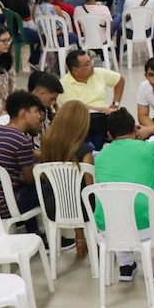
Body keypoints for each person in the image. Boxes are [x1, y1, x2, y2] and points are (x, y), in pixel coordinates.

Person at [94, 108, 154, 283]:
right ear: (135, 127)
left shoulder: (100, 157)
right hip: (144, 226)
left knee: (116, 208)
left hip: (107, 229)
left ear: (109, 134)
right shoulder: (149, 148)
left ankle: (126, 266)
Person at [0, 91, 46, 232]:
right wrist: (47, 174)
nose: (40, 116)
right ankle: (47, 236)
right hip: (5, 206)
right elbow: (30, 179)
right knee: (49, 188)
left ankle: (34, 233)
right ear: (23, 114)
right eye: (36, 112)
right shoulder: (22, 141)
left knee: (25, 190)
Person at [37, 100, 94, 249]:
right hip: (82, 209)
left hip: (53, 206)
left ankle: (79, 239)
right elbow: (90, 187)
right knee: (86, 194)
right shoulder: (83, 149)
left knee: (71, 191)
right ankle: (96, 244)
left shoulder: (47, 143)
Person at [59, 49, 126, 150]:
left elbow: (120, 80)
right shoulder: (64, 85)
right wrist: (104, 110)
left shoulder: (97, 73)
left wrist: (115, 104)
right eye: (87, 64)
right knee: (95, 122)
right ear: (75, 70)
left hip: (103, 116)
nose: (92, 65)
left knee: (124, 118)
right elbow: (77, 107)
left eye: (91, 61)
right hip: (80, 119)